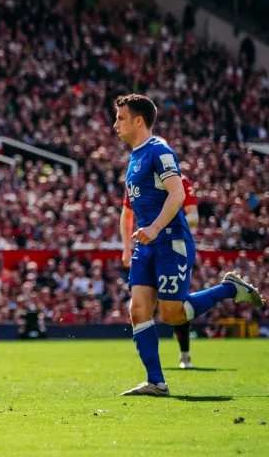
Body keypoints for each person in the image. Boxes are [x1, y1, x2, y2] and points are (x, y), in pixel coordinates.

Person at [113, 93, 263, 397]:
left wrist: (154, 228)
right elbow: (129, 209)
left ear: (138, 120)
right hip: (147, 244)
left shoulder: (160, 151)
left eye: (121, 118)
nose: (116, 124)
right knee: (138, 309)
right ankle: (156, 381)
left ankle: (229, 289)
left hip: (170, 241)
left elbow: (178, 194)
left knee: (173, 315)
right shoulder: (134, 157)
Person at [121, 174, 199, 369]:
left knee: (174, 306)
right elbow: (127, 214)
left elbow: (193, 216)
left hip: (173, 248)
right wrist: (126, 248)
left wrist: (161, 226)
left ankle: (185, 353)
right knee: (140, 307)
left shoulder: (179, 180)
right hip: (147, 248)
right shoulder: (135, 179)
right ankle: (153, 371)